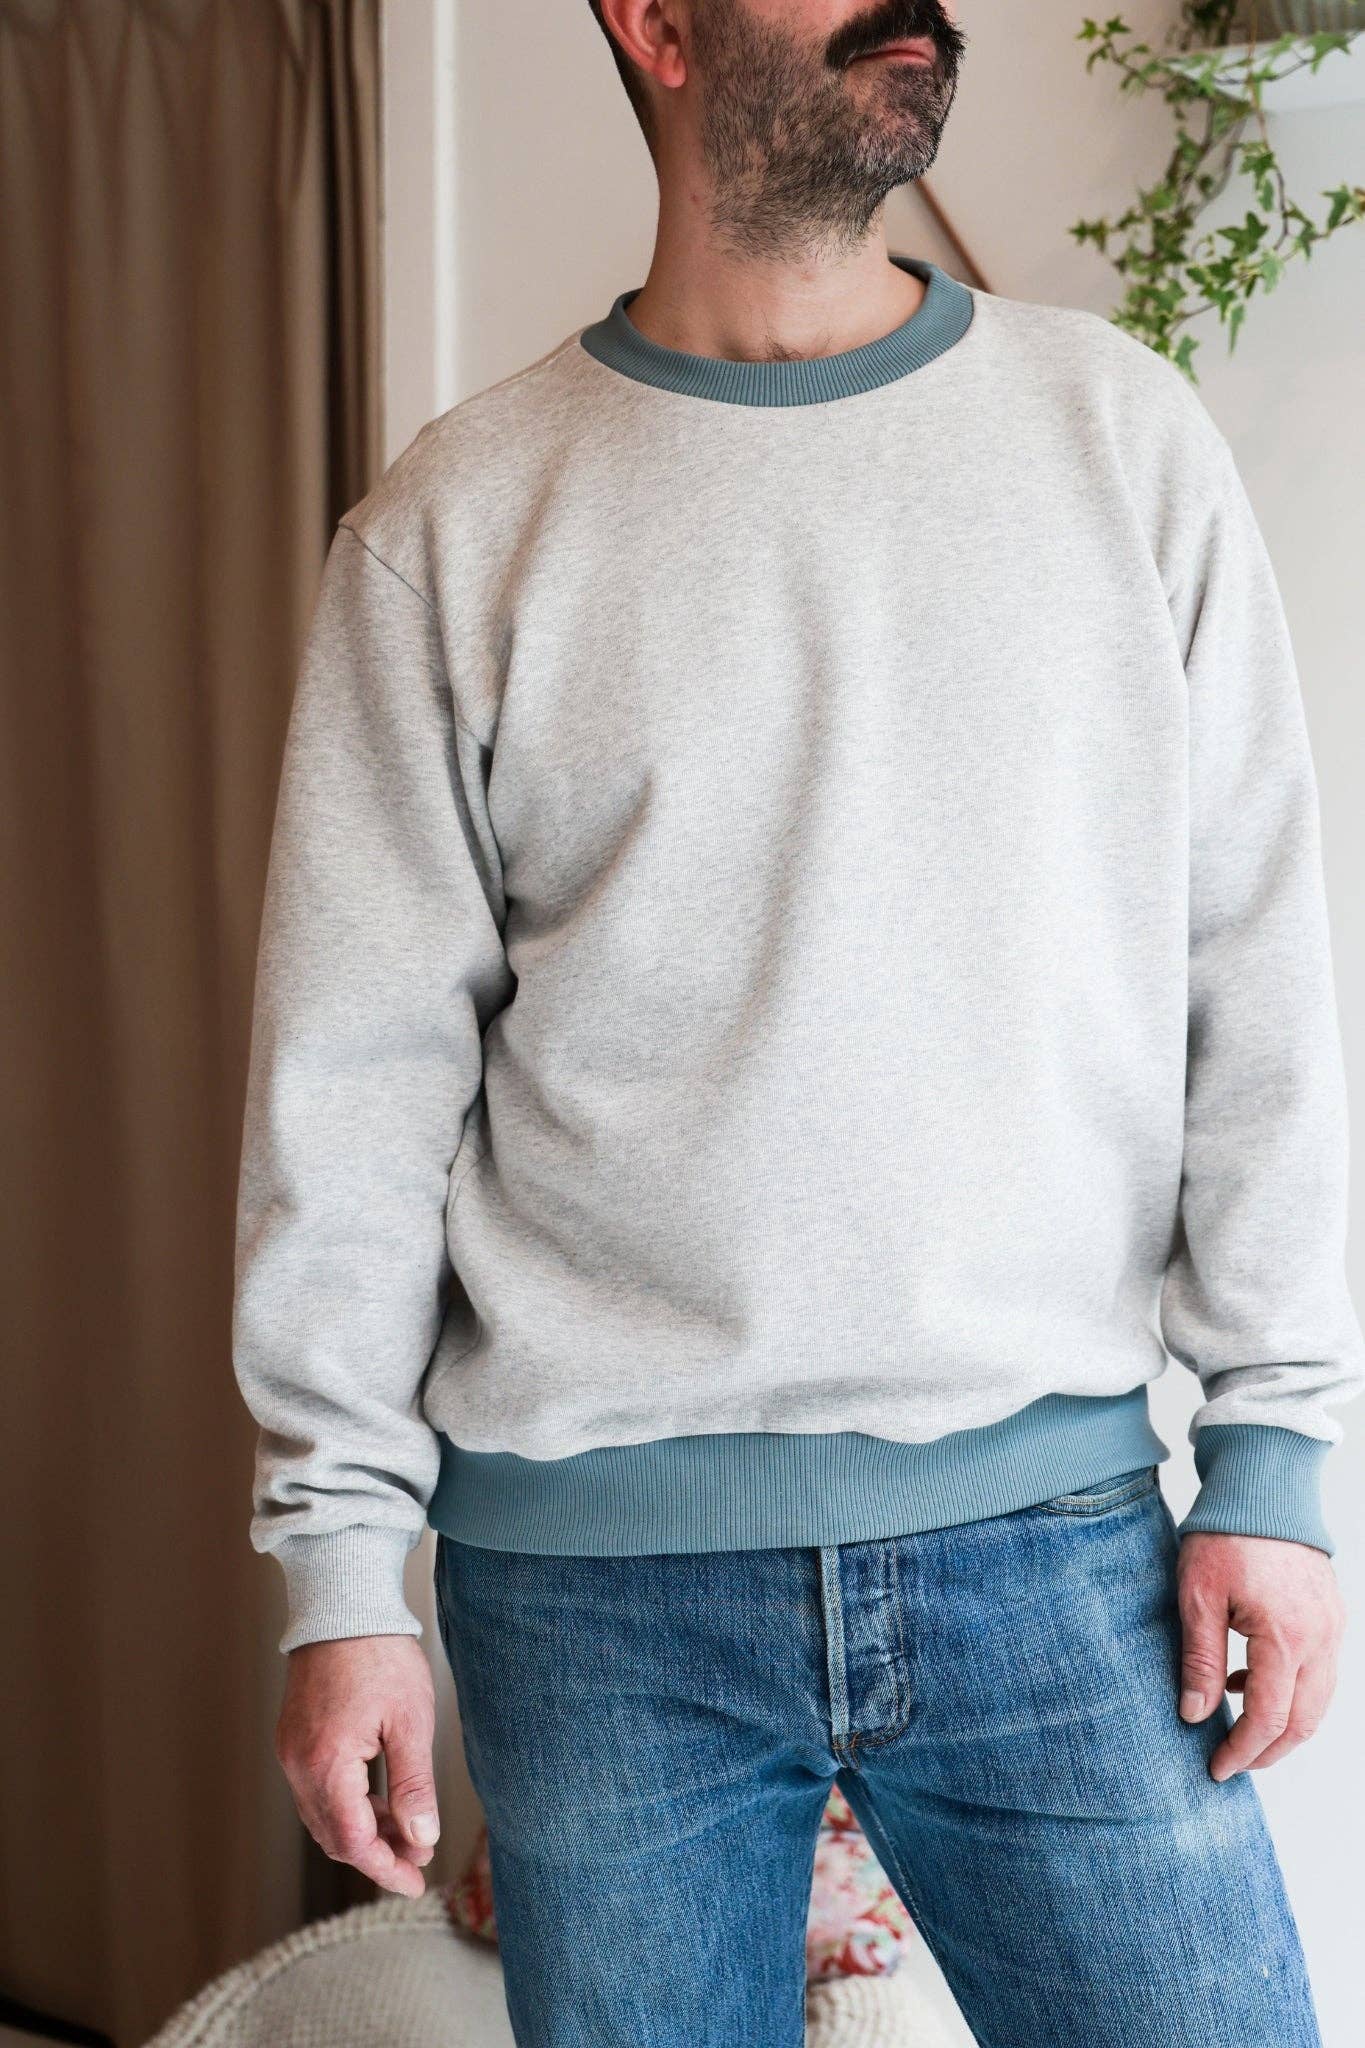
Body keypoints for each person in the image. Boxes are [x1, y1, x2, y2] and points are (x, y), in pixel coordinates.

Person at [230, 4, 1364, 2042]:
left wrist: (1273, 1450)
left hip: (1055, 1551)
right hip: (591, 1605)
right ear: (652, 24)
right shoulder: (454, 523)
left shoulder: (1117, 440)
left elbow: (1256, 978)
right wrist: (339, 1576)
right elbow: (354, 1090)